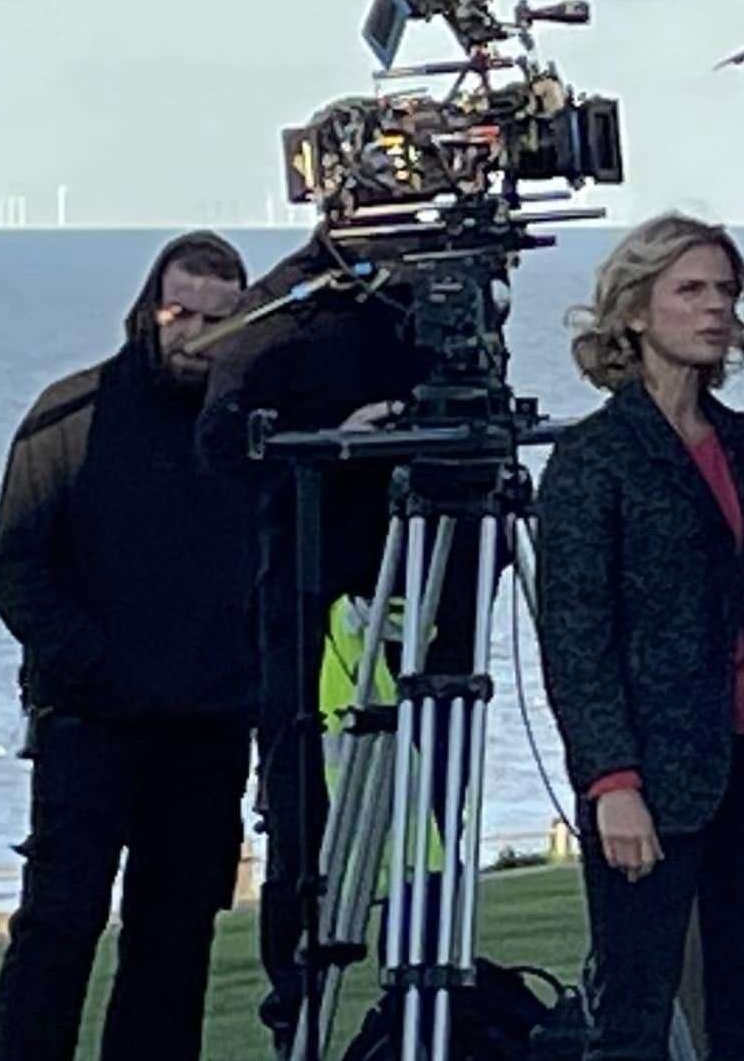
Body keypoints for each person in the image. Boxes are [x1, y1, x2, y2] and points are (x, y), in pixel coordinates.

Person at [535, 213, 744, 1061]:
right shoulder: (593, 457)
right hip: (651, 771)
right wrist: (611, 780)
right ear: (634, 311)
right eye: (690, 290)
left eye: (726, 291)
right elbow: (575, 637)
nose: (716, 309)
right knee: (633, 1019)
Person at [0, 232, 258, 1061]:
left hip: (208, 731)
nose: (195, 333)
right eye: (180, 312)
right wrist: (92, 665)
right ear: (149, 309)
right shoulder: (70, 413)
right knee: (57, 929)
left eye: (218, 317)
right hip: (91, 723)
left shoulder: (248, 430)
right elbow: (18, 569)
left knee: (174, 945)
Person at [194, 232, 449, 1056]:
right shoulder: (283, 310)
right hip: (315, 605)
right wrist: (336, 437)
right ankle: (299, 1019)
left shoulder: (427, 296)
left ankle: (438, 1007)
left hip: (428, 591)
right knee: (308, 825)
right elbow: (224, 448)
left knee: (434, 814)